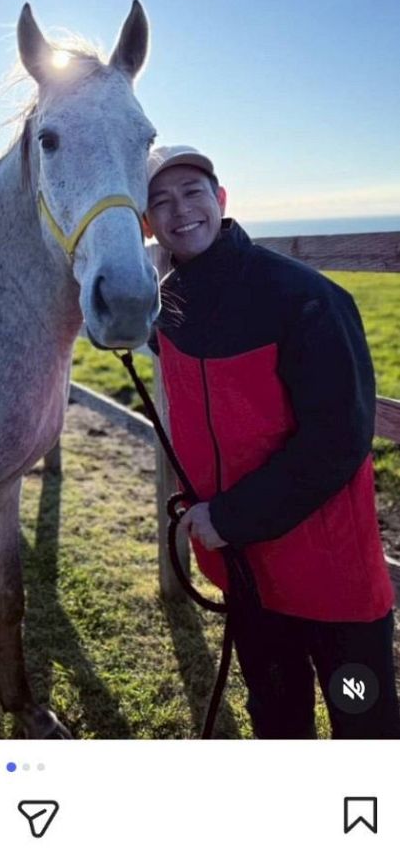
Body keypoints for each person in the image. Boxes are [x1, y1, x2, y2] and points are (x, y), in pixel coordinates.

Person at [144, 144, 400, 738]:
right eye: (160, 201)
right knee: (278, 720)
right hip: (248, 576)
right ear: (148, 224)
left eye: (192, 192)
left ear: (221, 199)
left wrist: (229, 517)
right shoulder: (169, 309)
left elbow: (339, 441)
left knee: (365, 726)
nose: (180, 210)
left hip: (330, 579)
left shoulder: (307, 299)